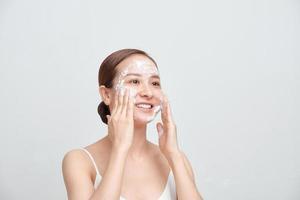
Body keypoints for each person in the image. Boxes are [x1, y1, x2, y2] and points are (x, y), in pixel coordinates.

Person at [62, 49, 203, 200]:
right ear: (106, 95)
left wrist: (174, 155)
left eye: (155, 83)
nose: (148, 93)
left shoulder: (176, 159)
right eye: (134, 81)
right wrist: (120, 149)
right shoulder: (79, 160)